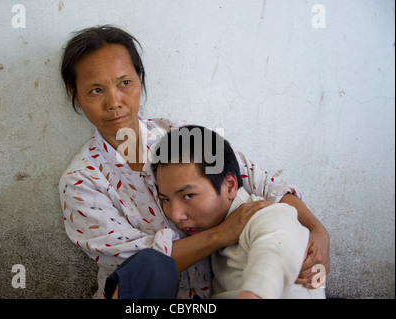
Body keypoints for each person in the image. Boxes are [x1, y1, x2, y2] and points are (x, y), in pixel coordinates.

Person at [58, 25, 330, 299]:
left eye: (124, 83)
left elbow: (263, 183)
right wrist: (222, 234)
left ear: (139, 80)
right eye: (95, 90)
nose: (114, 102)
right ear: (75, 94)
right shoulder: (82, 182)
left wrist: (319, 232)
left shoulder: (178, 134)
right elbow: (142, 268)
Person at [151, 125, 326, 298]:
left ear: (230, 185)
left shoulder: (264, 214)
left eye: (188, 195)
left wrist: (255, 294)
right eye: (166, 199)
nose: (175, 215)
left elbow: (275, 249)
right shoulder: (216, 238)